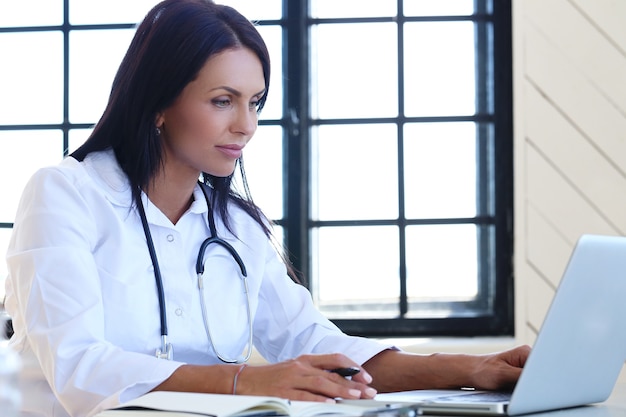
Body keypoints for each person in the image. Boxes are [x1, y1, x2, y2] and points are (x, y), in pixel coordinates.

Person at [4, 1, 530, 416]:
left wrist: (472, 367)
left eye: (255, 102)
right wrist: (246, 381)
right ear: (159, 103)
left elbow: (314, 342)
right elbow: (78, 367)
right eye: (222, 100)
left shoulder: (236, 225)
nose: (246, 125)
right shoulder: (66, 193)